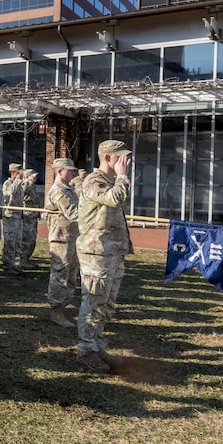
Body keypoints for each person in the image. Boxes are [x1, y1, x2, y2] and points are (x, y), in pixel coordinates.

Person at [76, 140, 133, 372]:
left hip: (111, 252)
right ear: (108, 158)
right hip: (96, 253)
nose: (125, 162)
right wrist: (122, 177)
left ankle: (97, 345)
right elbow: (114, 199)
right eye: (120, 157)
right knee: (93, 302)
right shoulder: (94, 181)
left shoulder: (109, 181)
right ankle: (86, 351)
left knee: (106, 304)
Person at [44, 158, 80, 329]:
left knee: (72, 276)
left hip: (72, 237)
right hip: (61, 238)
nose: (73, 173)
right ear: (59, 171)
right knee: (60, 275)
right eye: (70, 170)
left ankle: (64, 307)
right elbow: (74, 213)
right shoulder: (58, 191)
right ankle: (56, 311)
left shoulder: (69, 189)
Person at [1, 163, 24, 274]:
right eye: (19, 172)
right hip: (10, 216)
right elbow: (9, 193)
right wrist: (17, 181)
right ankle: (7, 264)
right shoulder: (8, 183)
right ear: (14, 173)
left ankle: (12, 263)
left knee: (17, 241)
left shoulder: (19, 185)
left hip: (18, 216)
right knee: (9, 241)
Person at [19, 168, 40, 268]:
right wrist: (28, 181)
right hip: (27, 215)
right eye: (33, 176)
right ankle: (23, 260)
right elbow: (23, 191)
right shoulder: (26, 184)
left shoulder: (33, 187)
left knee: (32, 238)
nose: (35, 177)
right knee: (26, 238)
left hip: (33, 216)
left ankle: (27, 259)